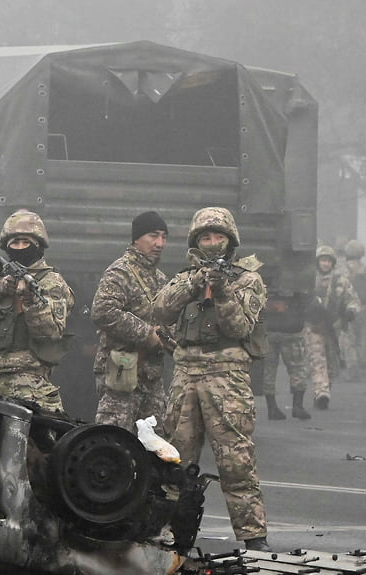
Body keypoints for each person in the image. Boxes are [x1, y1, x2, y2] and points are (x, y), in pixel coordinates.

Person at [152, 206, 271, 552]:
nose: (213, 242)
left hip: (227, 376)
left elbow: (239, 327)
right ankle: (170, 533)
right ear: (196, 241)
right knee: (175, 459)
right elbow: (160, 309)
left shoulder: (248, 280)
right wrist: (194, 283)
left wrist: (221, 292)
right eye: (206, 236)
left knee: (236, 459)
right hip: (186, 374)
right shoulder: (184, 277)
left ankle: (253, 536)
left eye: (219, 236)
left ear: (230, 240)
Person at [0, 209, 74, 415]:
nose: (20, 248)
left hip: (28, 385)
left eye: (25, 242)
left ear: (37, 244)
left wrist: (29, 302)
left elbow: (51, 331)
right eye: (14, 243)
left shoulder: (51, 283)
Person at [90, 211, 173, 433]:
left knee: (155, 445)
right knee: (114, 440)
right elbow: (102, 311)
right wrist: (147, 334)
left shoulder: (160, 278)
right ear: (137, 238)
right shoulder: (120, 272)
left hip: (151, 377)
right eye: (153, 236)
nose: (159, 243)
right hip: (121, 372)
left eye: (164, 237)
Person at [304, 245, 359, 409]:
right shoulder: (309, 280)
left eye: (328, 261)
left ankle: (323, 390)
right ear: (318, 262)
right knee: (317, 360)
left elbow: (352, 299)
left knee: (332, 366)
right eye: (322, 260)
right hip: (314, 327)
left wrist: (350, 311)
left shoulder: (340, 281)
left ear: (332, 263)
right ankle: (321, 392)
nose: (325, 264)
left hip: (334, 329)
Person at [258, 264, 315, 421]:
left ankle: (272, 409)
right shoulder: (298, 276)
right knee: (297, 368)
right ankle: (297, 406)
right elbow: (308, 300)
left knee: (269, 371)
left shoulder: (260, 276)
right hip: (291, 331)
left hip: (268, 331)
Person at [340, 240, 366, 377]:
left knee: (348, 339)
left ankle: (353, 368)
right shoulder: (364, 269)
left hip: (351, 309)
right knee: (362, 338)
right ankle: (363, 363)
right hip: (364, 309)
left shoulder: (345, 270)